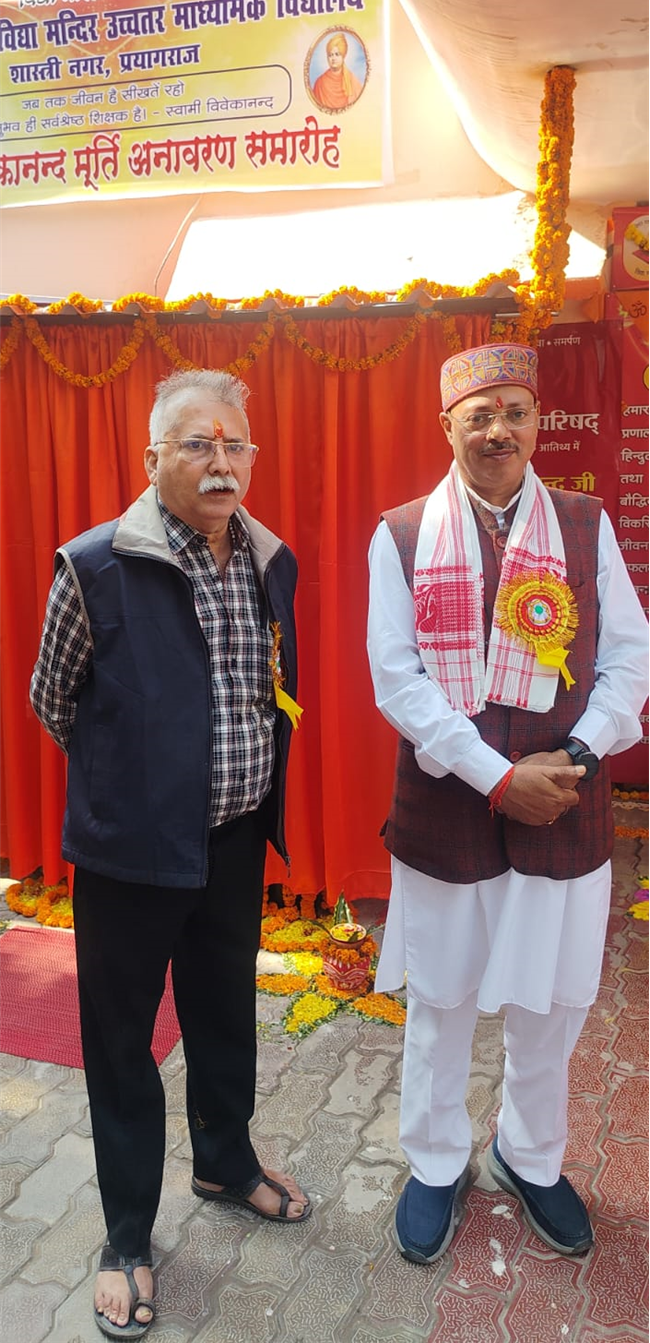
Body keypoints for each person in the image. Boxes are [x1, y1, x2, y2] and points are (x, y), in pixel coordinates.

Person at [31, 369, 310, 1339]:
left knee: (224, 1015)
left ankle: (225, 1164)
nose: (221, 461)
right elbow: (52, 698)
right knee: (121, 1046)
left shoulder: (267, 558)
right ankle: (124, 1237)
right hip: (130, 855)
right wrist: (134, 788)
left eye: (235, 443)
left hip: (233, 841)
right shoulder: (95, 565)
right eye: (198, 443)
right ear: (152, 457)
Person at [367, 342, 648, 1265]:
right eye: (479, 414)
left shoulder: (584, 523)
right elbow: (397, 681)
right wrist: (494, 775)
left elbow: (629, 658)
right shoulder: (402, 533)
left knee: (551, 1006)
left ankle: (529, 1158)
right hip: (449, 807)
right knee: (440, 998)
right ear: (445, 425)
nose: (499, 430)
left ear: (537, 422)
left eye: (515, 411)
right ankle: (435, 1162)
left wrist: (576, 753)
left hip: (565, 800)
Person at [311, 31, 364, 111]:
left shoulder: (352, 81)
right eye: (330, 55)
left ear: (343, 56)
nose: (333, 58)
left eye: (337, 54)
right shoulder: (320, 83)